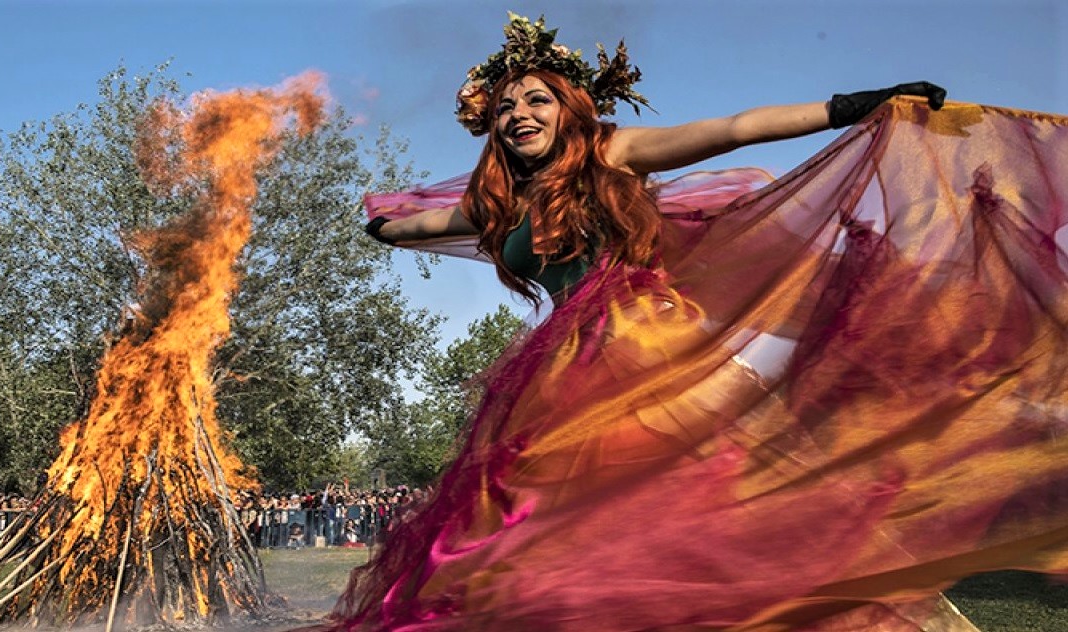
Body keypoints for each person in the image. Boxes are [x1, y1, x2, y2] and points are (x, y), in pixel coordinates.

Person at [330, 13, 1068, 631]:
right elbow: (416, 226)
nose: (519, 114)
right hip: (567, 365)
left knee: (743, 493)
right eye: (505, 107)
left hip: (650, 342)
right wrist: (381, 229)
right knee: (549, 520)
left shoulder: (614, 156)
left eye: (538, 100)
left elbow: (735, 128)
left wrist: (848, 106)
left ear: (571, 110)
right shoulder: (499, 206)